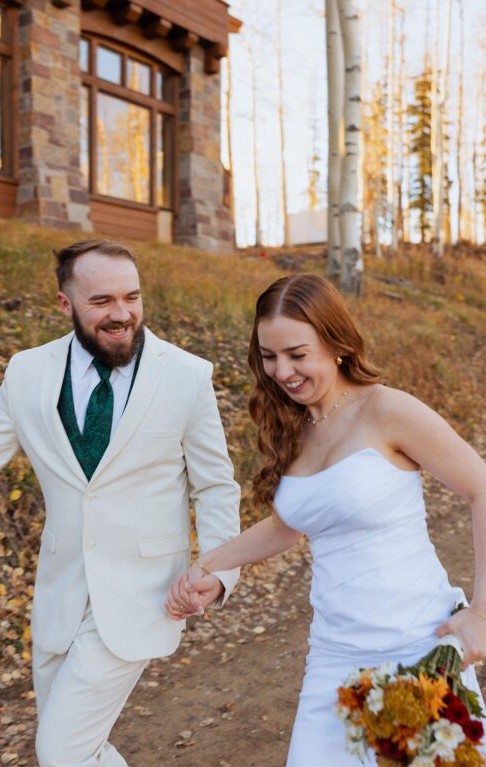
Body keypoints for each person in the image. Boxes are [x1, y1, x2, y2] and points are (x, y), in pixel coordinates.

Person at [166, 273, 486, 765]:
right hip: (333, 655)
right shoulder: (295, 426)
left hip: (418, 648)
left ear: (336, 343)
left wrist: (482, 614)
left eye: (297, 354)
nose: (282, 371)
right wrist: (210, 567)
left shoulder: (388, 410)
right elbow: (290, 523)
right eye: (269, 357)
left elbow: (480, 488)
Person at [0, 239, 241, 767]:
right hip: (59, 595)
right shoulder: (27, 371)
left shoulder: (187, 375)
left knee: (60, 751)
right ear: (64, 303)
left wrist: (217, 570)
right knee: (79, 750)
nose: (122, 315)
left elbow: (214, 486)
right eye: (101, 302)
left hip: (144, 594)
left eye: (132, 297)